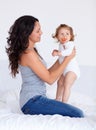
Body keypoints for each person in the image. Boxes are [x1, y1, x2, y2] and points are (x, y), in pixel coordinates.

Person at [6, 15, 84, 118]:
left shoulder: (31, 50)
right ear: (27, 33)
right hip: (32, 102)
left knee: (74, 111)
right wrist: (67, 59)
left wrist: (61, 57)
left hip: (33, 100)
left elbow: (46, 73)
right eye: (38, 31)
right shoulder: (28, 54)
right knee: (78, 113)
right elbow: (50, 79)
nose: (41, 33)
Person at [52, 24, 80, 103]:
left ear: (71, 36)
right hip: (65, 70)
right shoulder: (61, 45)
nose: (64, 36)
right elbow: (62, 54)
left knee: (66, 84)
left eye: (67, 34)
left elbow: (68, 52)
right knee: (59, 82)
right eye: (62, 34)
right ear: (57, 36)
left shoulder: (70, 44)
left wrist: (58, 53)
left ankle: (64, 103)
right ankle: (57, 99)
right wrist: (56, 51)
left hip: (72, 70)